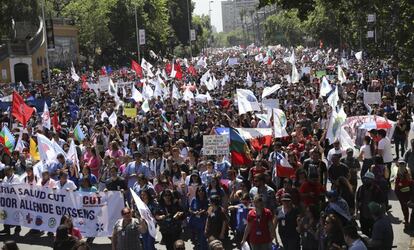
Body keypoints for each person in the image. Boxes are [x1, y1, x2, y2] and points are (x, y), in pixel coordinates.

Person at [0, 166, 21, 236]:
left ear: (11, 171)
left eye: (7, 171)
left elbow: (16, 187)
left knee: (15, 213)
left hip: (15, 199)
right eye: (5, 172)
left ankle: (17, 229)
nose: (6, 173)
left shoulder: (16, 177)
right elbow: (3, 187)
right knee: (5, 213)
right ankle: (6, 229)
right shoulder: (5, 178)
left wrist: (5, 185)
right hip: (6, 199)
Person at [395, 160, 414, 228]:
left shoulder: (405, 174)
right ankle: (407, 221)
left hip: (403, 195)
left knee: (405, 208)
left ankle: (406, 221)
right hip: (405, 194)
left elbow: (397, 186)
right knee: (405, 208)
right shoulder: (405, 173)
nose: (401, 166)